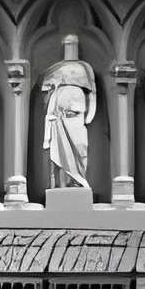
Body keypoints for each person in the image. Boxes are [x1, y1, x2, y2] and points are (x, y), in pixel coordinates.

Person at [40, 32, 96, 189]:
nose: (71, 48)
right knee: (61, 152)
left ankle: (78, 181)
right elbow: (46, 97)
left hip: (77, 116)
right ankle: (63, 184)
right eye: (68, 44)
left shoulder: (85, 68)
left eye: (73, 45)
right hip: (60, 117)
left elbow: (92, 93)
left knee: (81, 146)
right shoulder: (56, 69)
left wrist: (90, 113)